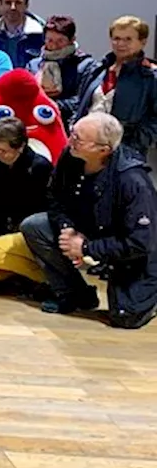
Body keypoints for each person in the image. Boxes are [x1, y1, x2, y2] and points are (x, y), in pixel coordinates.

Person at [21, 113, 157, 328]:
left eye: (78, 139)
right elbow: (55, 198)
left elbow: (141, 243)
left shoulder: (132, 180)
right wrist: (67, 230)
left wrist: (87, 247)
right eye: (72, 133)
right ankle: (73, 293)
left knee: (125, 318)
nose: (70, 141)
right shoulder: (70, 156)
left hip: (129, 248)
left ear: (103, 150)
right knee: (34, 226)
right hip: (86, 227)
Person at [0, 118, 53, 291]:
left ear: (20, 147)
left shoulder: (40, 167)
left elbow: (42, 209)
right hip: (8, 229)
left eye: (2, 150)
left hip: (32, 232)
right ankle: (22, 278)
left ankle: (51, 279)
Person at [73, 15, 157, 157]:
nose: (121, 44)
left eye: (128, 39)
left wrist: (135, 142)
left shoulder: (149, 77)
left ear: (143, 42)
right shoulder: (97, 70)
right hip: (86, 147)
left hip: (124, 153)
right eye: (117, 38)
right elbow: (80, 103)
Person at [27, 15, 95, 129]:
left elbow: (82, 100)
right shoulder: (34, 65)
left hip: (68, 125)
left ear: (72, 40)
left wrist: (51, 105)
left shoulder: (86, 66)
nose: (53, 45)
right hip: (36, 123)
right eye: (49, 40)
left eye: (60, 41)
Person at [0, 0, 43, 69]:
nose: (13, 7)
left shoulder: (40, 34)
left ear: (26, 6)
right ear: (0, 5)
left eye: (18, 3)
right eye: (8, 3)